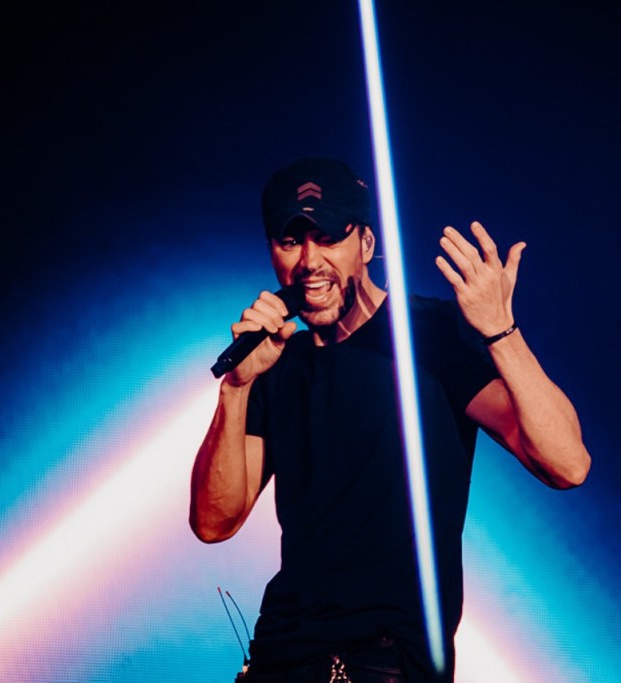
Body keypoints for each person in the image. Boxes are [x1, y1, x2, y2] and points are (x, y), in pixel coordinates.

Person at [189, 156, 591, 682]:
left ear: (366, 244)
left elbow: (567, 465)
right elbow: (213, 523)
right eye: (290, 242)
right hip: (279, 658)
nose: (309, 260)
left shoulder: (431, 335)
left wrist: (501, 331)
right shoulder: (275, 363)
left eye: (328, 237)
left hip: (386, 662)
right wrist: (236, 389)